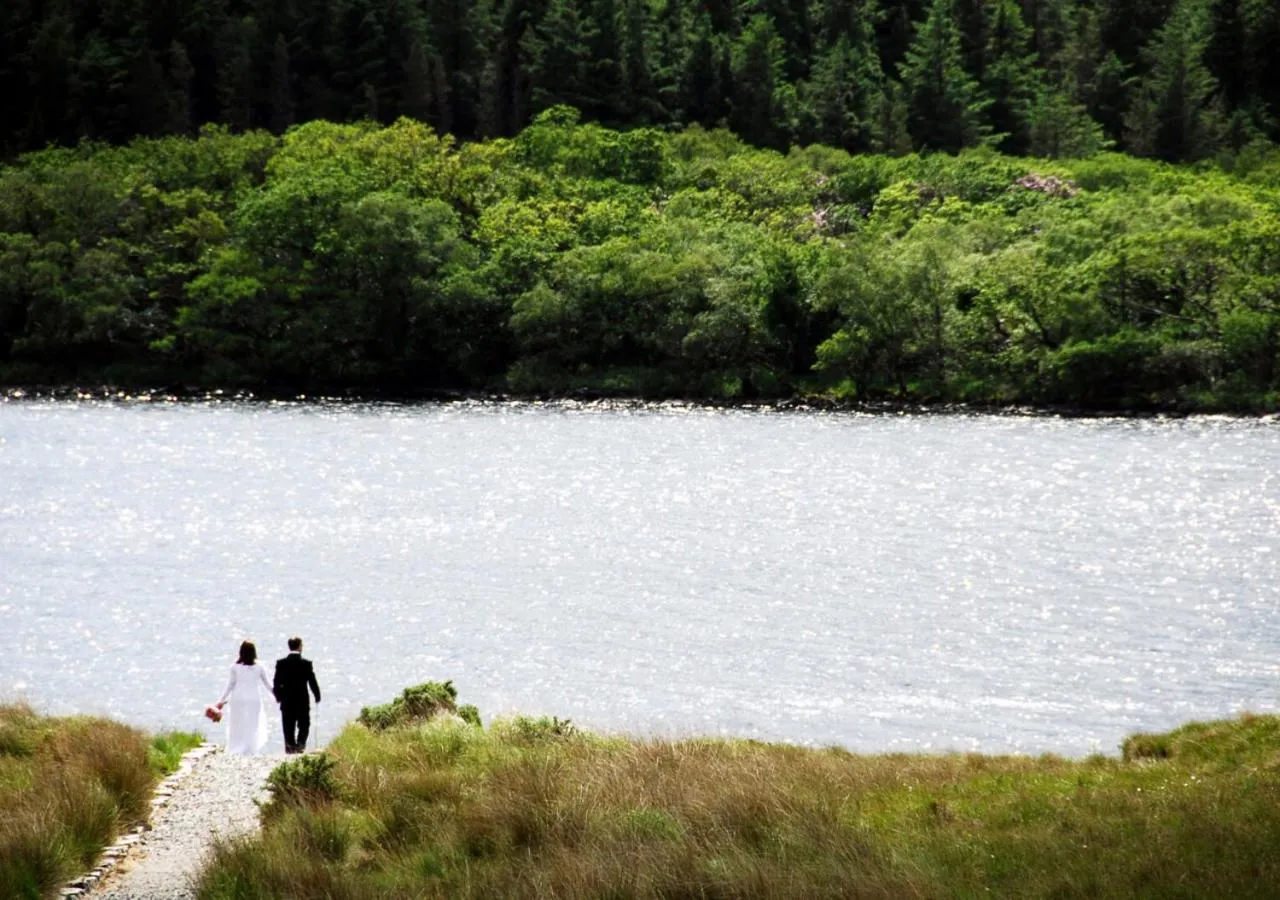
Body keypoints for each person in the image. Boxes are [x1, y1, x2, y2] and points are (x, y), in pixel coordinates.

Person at [216, 640, 273, 755]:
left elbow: (230, 685)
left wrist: (221, 700)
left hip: (238, 698)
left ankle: (237, 746)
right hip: (254, 698)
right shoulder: (259, 667)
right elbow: (268, 684)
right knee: (253, 723)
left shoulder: (234, 667)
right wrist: (277, 695)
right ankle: (251, 747)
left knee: (237, 723)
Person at [273, 636, 321, 754]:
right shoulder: (306, 664)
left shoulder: (281, 663)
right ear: (300, 646)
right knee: (304, 723)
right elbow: (312, 681)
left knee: (288, 725)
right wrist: (317, 695)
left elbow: (276, 682)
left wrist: (279, 697)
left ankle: (290, 746)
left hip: (287, 700)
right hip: (302, 700)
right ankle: (300, 744)